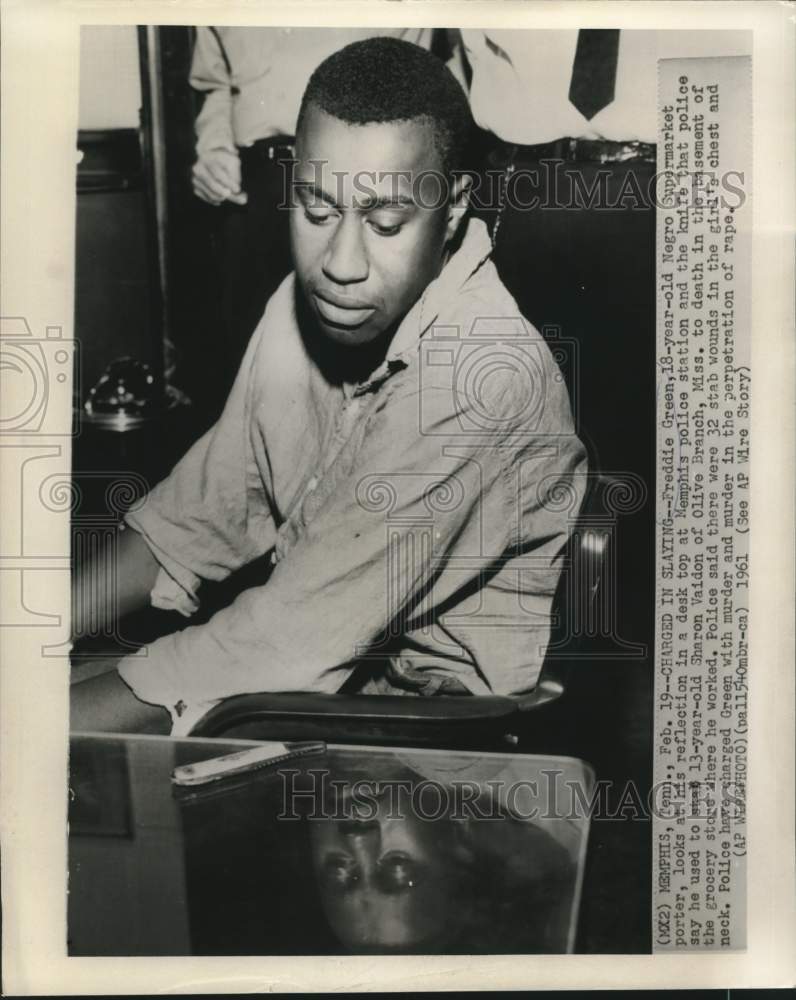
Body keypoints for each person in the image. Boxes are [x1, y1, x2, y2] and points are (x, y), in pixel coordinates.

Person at [70, 37, 587, 736]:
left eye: (385, 223)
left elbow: (277, 646)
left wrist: (38, 723)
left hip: (432, 756)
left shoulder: (483, 376)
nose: (339, 264)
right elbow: (196, 519)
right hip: (303, 692)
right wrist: (30, 627)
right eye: (316, 211)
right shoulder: (296, 306)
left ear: (455, 206)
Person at [189, 26, 432, 414]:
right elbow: (214, 85)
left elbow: (419, 87)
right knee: (246, 369)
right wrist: (213, 149)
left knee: (355, 373)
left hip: (355, 178)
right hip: (254, 183)